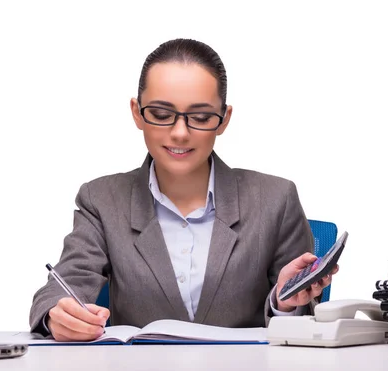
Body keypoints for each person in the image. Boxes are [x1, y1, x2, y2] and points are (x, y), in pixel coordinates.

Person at [29, 38, 338, 342]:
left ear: (224, 120)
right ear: (137, 113)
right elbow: (65, 284)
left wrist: (283, 302)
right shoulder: (102, 200)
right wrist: (58, 313)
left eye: (201, 117)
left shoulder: (275, 199)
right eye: (162, 115)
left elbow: (307, 321)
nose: (179, 133)